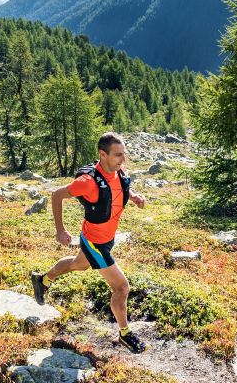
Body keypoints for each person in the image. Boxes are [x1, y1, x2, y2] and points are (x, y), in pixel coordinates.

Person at [31, 132, 149, 353]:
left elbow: (119, 188)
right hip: (95, 242)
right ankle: (125, 334)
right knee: (122, 287)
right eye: (117, 155)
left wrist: (133, 198)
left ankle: (42, 280)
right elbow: (57, 195)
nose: (123, 160)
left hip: (106, 238)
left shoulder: (118, 170)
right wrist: (60, 230)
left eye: (124, 154)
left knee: (78, 264)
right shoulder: (87, 182)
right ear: (102, 154)